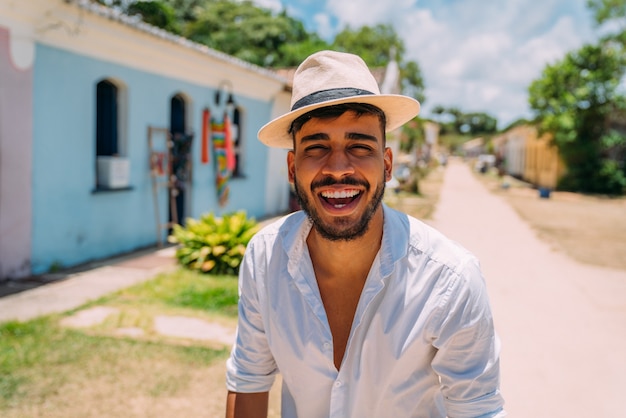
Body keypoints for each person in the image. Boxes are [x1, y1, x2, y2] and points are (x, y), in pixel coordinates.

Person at [225, 50, 506, 418]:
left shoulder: (449, 279)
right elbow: (248, 381)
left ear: (386, 165)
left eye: (359, 146)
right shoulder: (265, 259)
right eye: (317, 147)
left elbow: (477, 409)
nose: (338, 168)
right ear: (292, 168)